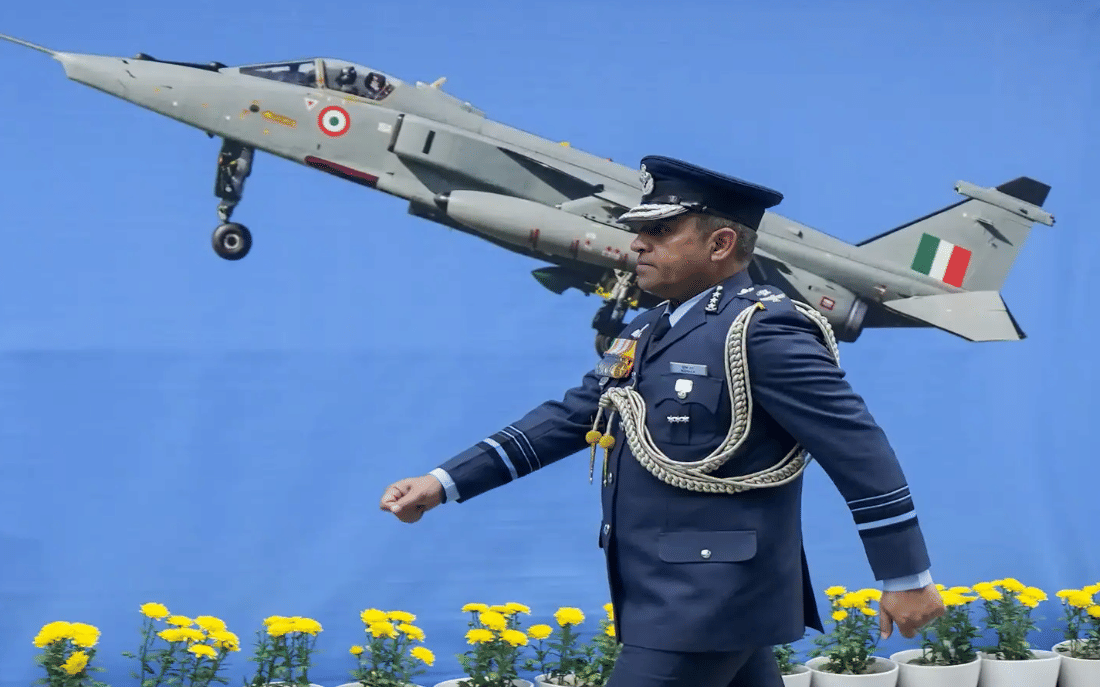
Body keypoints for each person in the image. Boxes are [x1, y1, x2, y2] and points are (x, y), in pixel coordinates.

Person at [379, 155, 946, 686]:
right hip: (677, 592)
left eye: (661, 231)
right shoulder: (647, 330)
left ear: (721, 243)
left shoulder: (763, 330)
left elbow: (858, 449)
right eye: (640, 230)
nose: (638, 243)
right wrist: (444, 481)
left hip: (705, 601)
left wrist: (906, 577)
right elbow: (573, 417)